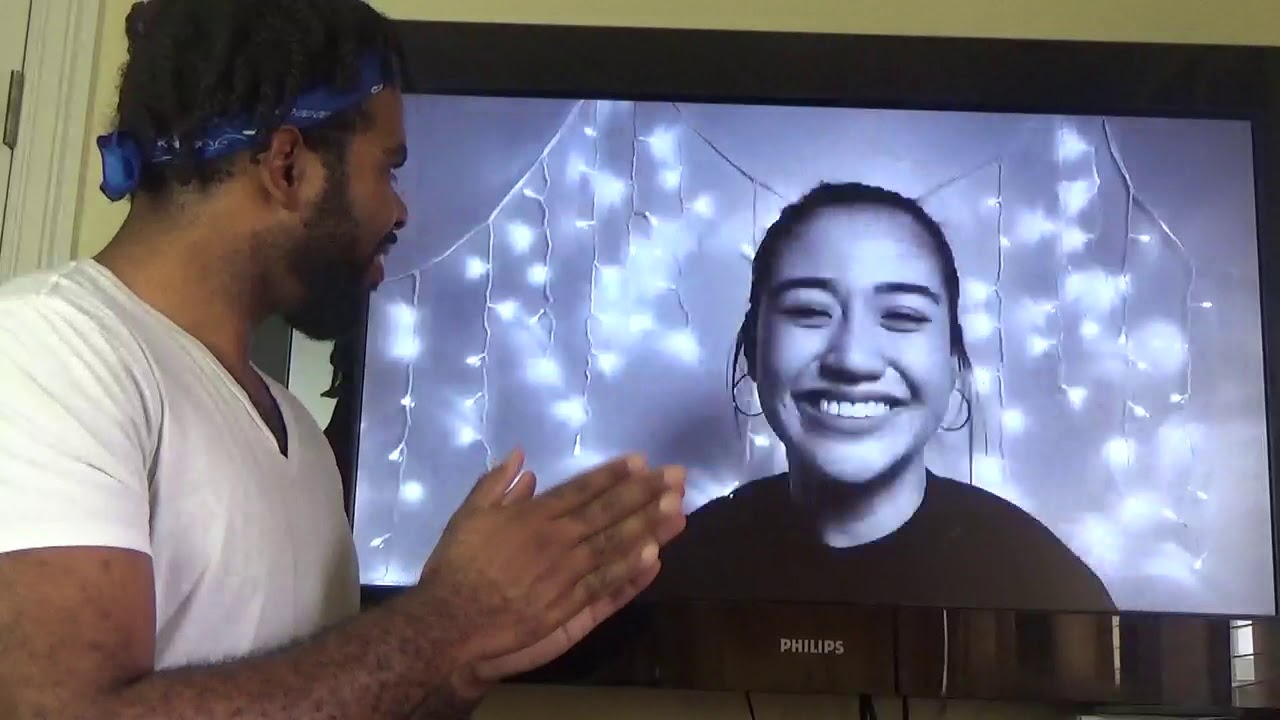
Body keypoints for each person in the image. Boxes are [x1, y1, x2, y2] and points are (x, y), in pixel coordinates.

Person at [0, 2, 686, 719]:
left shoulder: (297, 435)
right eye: (388, 168)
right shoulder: (53, 351)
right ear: (288, 167)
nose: (401, 211)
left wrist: (458, 666)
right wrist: (448, 621)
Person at [652, 181, 1114, 613]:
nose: (853, 359)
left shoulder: (1047, 589)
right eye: (809, 310)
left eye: (903, 316)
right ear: (753, 350)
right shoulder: (675, 573)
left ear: (953, 364)